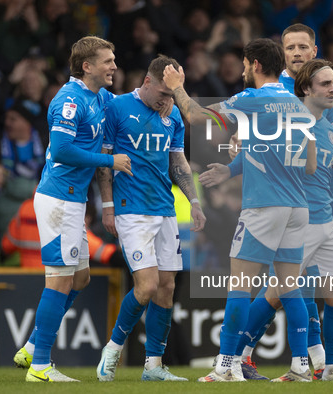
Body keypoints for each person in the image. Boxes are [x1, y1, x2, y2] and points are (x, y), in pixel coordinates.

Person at [230, 24, 333, 380]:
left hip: (317, 212)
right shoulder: (273, 88)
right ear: (281, 53)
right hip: (283, 208)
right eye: (290, 48)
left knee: (315, 292)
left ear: (314, 50)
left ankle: (320, 365)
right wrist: (241, 132)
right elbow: (247, 118)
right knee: (282, 292)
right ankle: (243, 357)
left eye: (302, 47)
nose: (296, 53)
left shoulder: (322, 92)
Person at [164, 38, 317, 382]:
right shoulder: (297, 104)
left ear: (255, 65)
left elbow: (197, 117)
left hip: (263, 208)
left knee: (240, 286)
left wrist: (178, 88)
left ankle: (226, 366)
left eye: (246, 64)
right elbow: (309, 165)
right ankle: (301, 366)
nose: (244, 70)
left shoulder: (252, 98)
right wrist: (237, 165)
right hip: (297, 207)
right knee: (290, 287)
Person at [11, 36, 132, 383]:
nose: (114, 66)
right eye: (108, 61)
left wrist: (158, 99)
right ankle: (40, 368)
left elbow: (124, 103)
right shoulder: (68, 100)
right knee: (61, 279)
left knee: (80, 277)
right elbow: (62, 150)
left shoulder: (97, 96)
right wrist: (110, 159)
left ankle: (33, 346)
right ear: (87, 66)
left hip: (73, 200)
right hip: (59, 199)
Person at [96, 55, 206, 382]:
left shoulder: (172, 116)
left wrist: (195, 201)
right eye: (163, 93)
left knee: (167, 287)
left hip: (165, 209)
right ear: (147, 82)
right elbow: (104, 160)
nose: (166, 101)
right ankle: (112, 350)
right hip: (131, 209)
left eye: (172, 95)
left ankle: (154, 366)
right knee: (146, 285)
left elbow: (178, 163)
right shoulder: (116, 108)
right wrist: (107, 206)